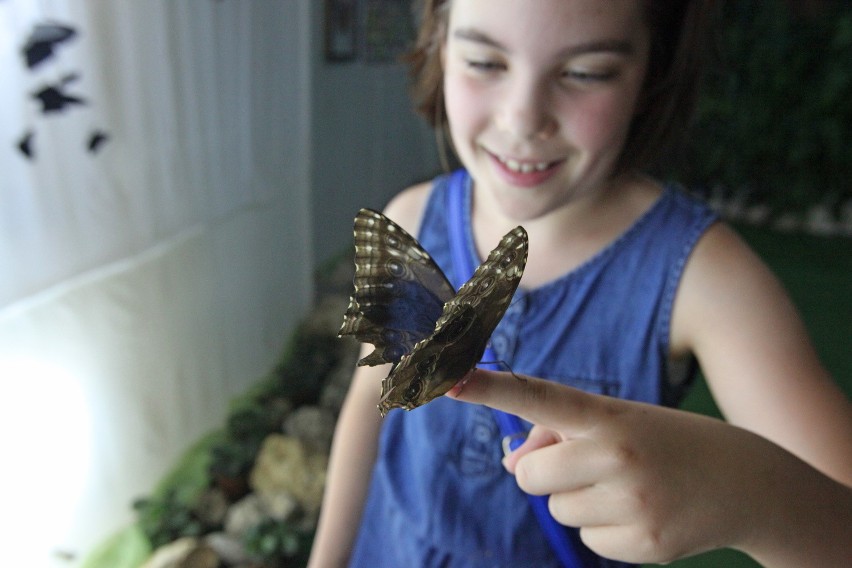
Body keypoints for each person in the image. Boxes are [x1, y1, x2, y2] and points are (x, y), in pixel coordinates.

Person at [308, 1, 852, 566]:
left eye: (585, 73)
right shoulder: (414, 214)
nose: (522, 119)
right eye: (484, 61)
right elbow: (367, 404)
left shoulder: (704, 277)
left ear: (654, 70)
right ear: (439, 45)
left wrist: (748, 492)